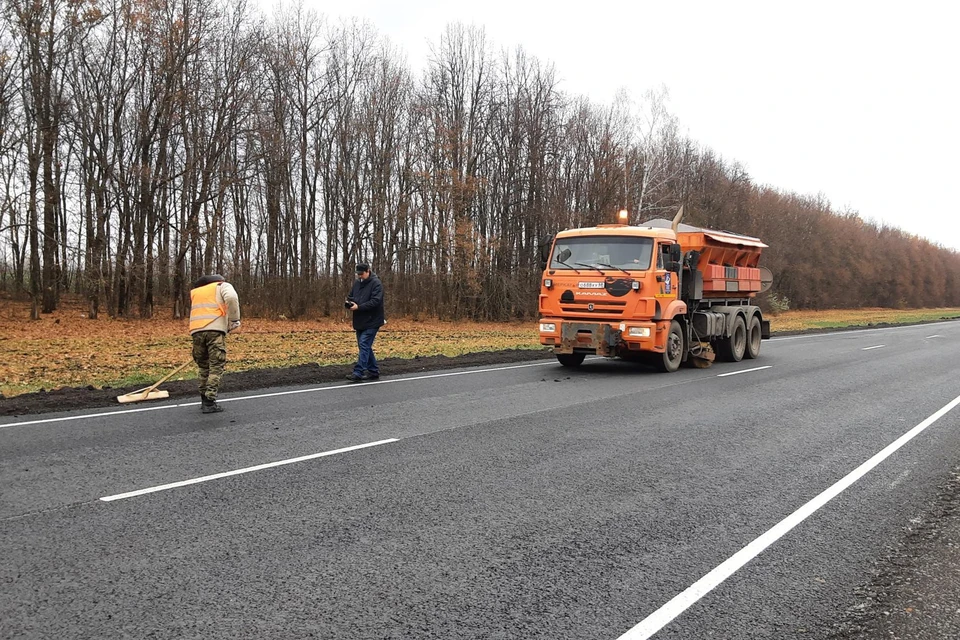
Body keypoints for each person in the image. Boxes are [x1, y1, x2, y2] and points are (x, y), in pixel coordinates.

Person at [189, 274, 241, 413]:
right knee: (216, 366)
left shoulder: (196, 292)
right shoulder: (221, 286)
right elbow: (231, 298)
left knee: (203, 367)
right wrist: (234, 320)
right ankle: (210, 403)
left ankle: (203, 399)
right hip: (214, 331)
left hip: (196, 331)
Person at [345, 262, 385, 382]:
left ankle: (358, 372)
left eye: (361, 274)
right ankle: (373, 371)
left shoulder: (376, 284)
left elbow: (375, 301)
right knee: (365, 346)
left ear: (368, 271)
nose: (359, 276)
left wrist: (359, 307)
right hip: (359, 320)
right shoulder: (357, 283)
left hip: (373, 320)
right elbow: (351, 296)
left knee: (364, 345)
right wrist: (349, 303)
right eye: (358, 274)